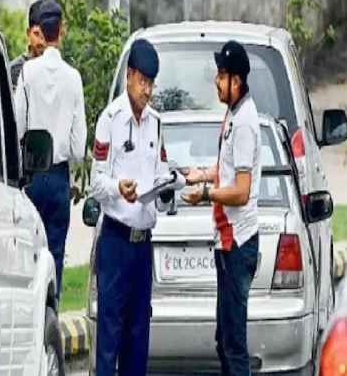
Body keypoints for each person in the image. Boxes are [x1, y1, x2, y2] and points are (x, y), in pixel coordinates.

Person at [90, 38, 185, 376]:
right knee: (109, 337)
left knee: (138, 336)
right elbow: (95, 182)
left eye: (151, 84)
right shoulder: (110, 119)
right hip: (116, 240)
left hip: (143, 244)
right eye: (143, 82)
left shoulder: (155, 123)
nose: (147, 91)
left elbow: (159, 173)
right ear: (129, 76)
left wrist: (167, 187)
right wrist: (118, 188)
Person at [182, 40, 262, 376]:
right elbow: (229, 169)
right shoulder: (234, 114)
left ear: (236, 81)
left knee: (233, 344)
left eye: (222, 75)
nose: (216, 81)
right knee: (225, 340)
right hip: (228, 242)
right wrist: (201, 173)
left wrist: (205, 194)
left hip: (237, 244)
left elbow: (241, 191)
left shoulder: (244, 123)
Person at [14, 0, 87, 303]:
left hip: (31, 176)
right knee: (55, 255)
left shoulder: (27, 73)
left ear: (40, 33)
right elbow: (79, 147)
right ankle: (51, 316)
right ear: (62, 30)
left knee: (28, 256)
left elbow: (17, 127)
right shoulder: (73, 78)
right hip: (58, 178)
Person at [10, 0, 45, 90]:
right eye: (36, 34)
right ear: (28, 33)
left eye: (45, 35)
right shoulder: (15, 70)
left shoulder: (57, 71)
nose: (41, 41)